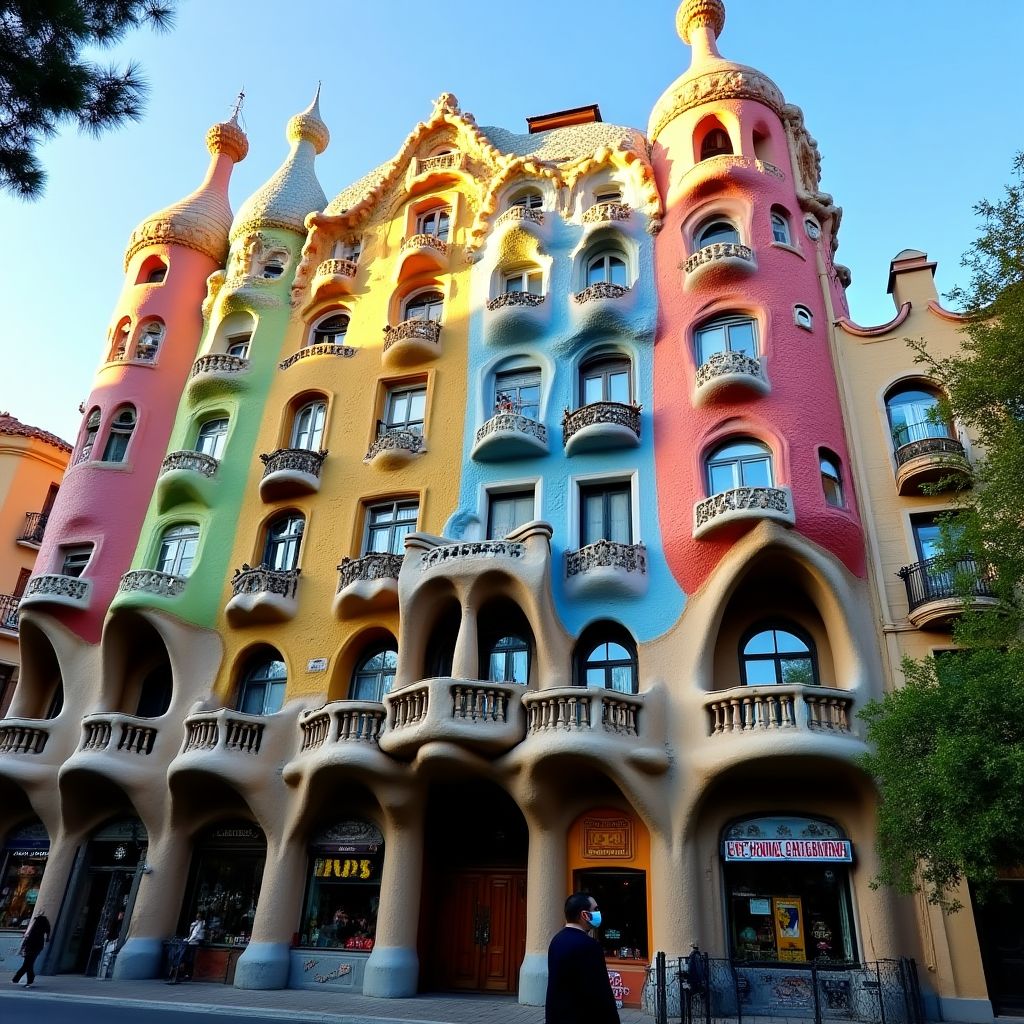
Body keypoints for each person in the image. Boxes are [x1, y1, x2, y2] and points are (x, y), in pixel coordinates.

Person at [545, 893, 619, 1024]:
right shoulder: (589, 945)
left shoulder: (556, 940)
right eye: (595, 909)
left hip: (558, 1016)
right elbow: (600, 991)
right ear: (584, 915)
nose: (598, 913)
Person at [11, 909, 50, 988]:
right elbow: (48, 932)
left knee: (27, 963)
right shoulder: (43, 926)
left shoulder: (35, 924)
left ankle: (18, 978)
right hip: (37, 946)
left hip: (31, 945)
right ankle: (25, 979)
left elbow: (28, 935)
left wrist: (24, 946)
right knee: (29, 962)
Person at [183, 914, 205, 980]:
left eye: (199, 916)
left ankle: (188, 974)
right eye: (197, 916)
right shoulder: (194, 924)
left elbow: (195, 934)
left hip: (194, 943)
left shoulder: (201, 924)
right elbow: (192, 933)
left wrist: (188, 940)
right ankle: (186, 973)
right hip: (191, 943)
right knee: (189, 959)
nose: (198, 918)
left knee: (190, 959)